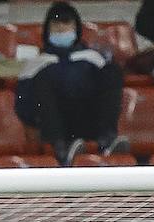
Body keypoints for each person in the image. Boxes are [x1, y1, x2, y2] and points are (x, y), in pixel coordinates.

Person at [14, 1, 129, 166]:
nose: (61, 28)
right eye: (56, 24)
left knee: (112, 71)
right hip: (52, 124)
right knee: (44, 80)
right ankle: (61, 149)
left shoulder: (94, 59)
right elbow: (23, 106)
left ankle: (107, 140)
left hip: (88, 119)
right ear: (48, 30)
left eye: (66, 23)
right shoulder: (36, 64)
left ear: (76, 28)